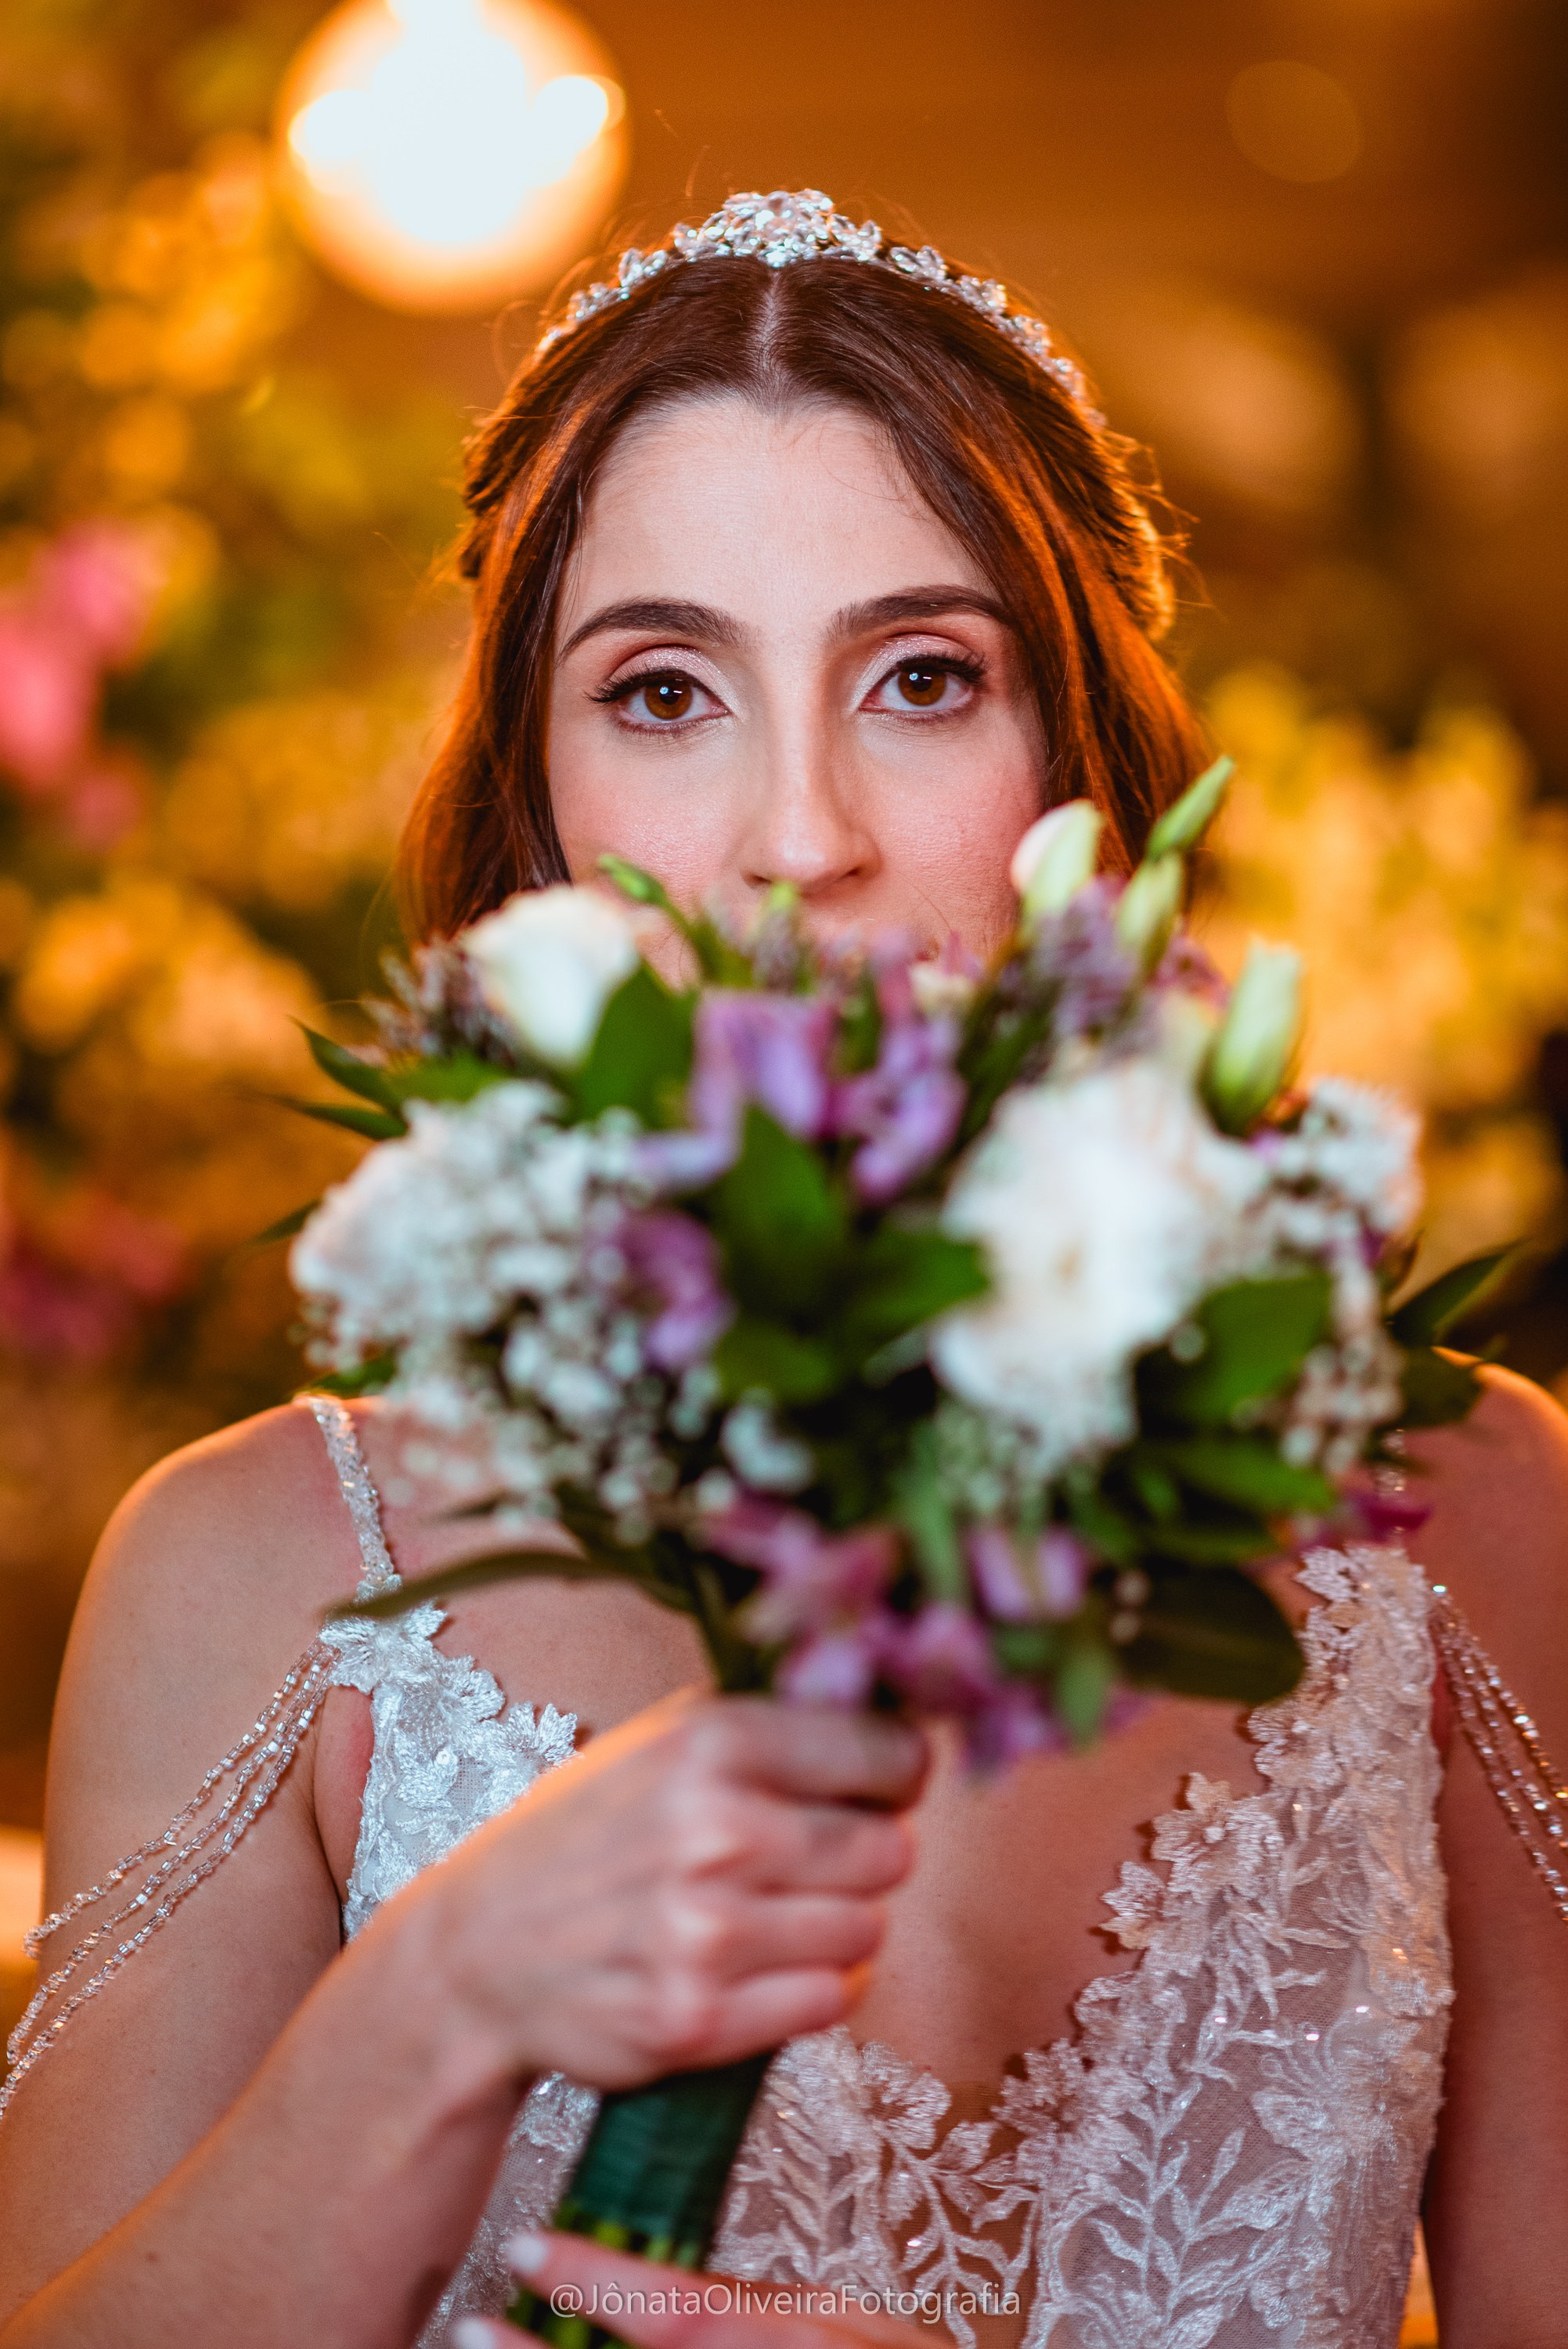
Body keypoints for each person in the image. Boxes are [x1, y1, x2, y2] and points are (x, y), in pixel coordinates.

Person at [1, 189, 1565, 2349]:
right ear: (535, 806)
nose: (799, 837)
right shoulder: (261, 1570)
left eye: (922, 680)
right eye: (664, 692)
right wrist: (436, 2005)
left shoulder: (1464, 1515)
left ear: (1084, 773)